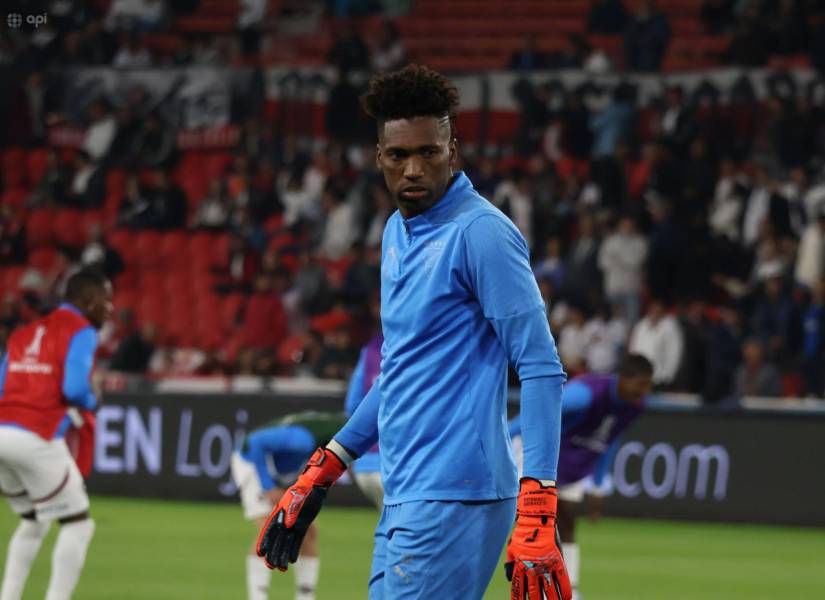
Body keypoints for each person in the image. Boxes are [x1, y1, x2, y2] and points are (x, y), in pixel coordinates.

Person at [256, 64, 571, 600]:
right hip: (406, 490)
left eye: (429, 152)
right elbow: (401, 369)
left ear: (454, 152)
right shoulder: (396, 232)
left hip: (455, 494)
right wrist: (325, 466)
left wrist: (538, 502)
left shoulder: (482, 233)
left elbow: (542, 368)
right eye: (399, 155)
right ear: (379, 157)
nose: (414, 169)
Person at [0, 268, 113, 600]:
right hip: (35, 434)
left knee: (33, 521)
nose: (110, 308)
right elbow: (74, 388)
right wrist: (93, 400)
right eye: (106, 300)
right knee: (78, 524)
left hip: (1, 432)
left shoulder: (24, 333)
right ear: (89, 300)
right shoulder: (82, 331)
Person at [509, 354, 654, 600]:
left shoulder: (635, 405)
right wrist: (503, 437)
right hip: (538, 451)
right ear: (623, 378)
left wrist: (597, 487)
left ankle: (570, 589)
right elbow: (540, 411)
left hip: (574, 461)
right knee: (528, 518)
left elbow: (611, 440)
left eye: (648, 385)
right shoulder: (585, 394)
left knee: (567, 520)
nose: (644, 392)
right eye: (640, 384)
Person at [231, 411, 348, 600]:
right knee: (269, 527)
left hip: (286, 471)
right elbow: (255, 442)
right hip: (253, 462)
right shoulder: (302, 440)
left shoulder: (328, 437)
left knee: (308, 531)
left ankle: (305, 596)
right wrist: (268, 487)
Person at [344, 330, 383, 508]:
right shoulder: (421, 340)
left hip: (365, 465)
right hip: (398, 464)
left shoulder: (371, 347)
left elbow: (353, 405)